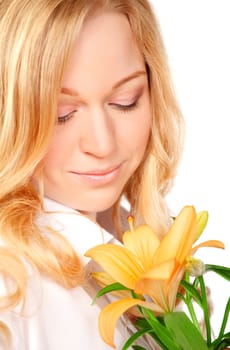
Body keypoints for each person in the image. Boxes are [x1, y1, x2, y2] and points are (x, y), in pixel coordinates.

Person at [0, 0, 184, 349]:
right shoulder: (11, 287)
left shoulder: (149, 244)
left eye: (125, 100)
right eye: (62, 114)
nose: (102, 143)